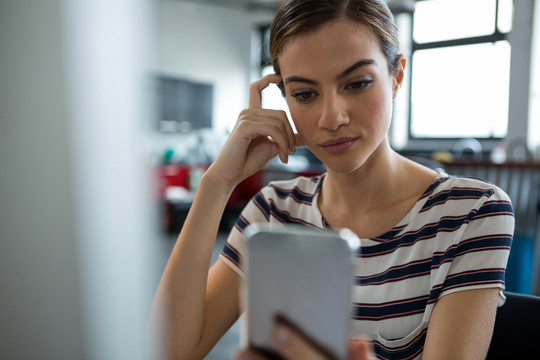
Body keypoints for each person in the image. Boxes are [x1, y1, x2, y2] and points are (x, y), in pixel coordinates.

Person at [151, 0, 514, 359]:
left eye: (357, 84)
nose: (331, 117)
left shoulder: (471, 212)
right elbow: (167, 352)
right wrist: (217, 183)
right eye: (305, 94)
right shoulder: (274, 211)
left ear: (397, 77)